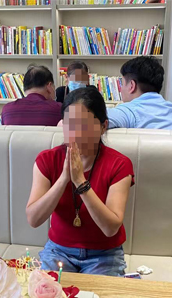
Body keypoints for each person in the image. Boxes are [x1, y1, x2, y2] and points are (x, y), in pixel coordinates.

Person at [26, 87, 134, 276]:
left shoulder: (119, 164)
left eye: (84, 125)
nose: (75, 133)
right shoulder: (47, 160)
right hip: (58, 250)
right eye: (69, 124)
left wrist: (80, 182)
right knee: (47, 293)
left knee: (97, 295)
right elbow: (33, 219)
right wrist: (64, 179)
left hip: (104, 254)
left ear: (103, 126)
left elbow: (110, 228)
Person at [107, 56, 172, 130]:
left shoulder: (130, 111)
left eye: (122, 84)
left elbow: (100, 120)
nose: (121, 89)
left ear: (132, 86)